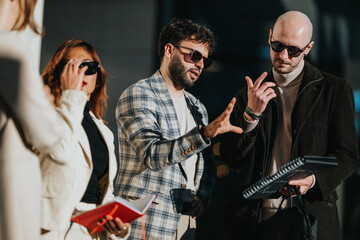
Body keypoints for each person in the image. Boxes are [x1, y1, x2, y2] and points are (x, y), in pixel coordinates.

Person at [221, 11, 359, 240]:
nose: (283, 55)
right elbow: (232, 157)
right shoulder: (248, 95)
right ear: (269, 37)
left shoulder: (334, 91)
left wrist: (312, 180)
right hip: (256, 220)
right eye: (277, 46)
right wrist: (250, 116)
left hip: (309, 218)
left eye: (293, 50)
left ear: (308, 48)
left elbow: (348, 156)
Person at [114, 18, 243, 240]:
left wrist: (202, 196)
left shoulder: (197, 107)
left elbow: (207, 161)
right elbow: (152, 154)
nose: (200, 65)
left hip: (185, 224)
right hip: (146, 221)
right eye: (194, 55)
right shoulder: (140, 94)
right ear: (169, 50)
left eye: (204, 60)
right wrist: (202, 134)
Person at [0, 1, 87, 240]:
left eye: (90, 67)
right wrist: (67, 99)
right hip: (14, 197)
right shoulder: (10, 52)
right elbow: (58, 145)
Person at [40, 39, 130, 240]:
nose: (80, 72)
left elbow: (105, 192)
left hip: (90, 231)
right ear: (59, 73)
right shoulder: (46, 113)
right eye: (71, 65)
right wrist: (71, 95)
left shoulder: (104, 132)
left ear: (98, 78)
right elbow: (58, 151)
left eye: (89, 67)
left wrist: (118, 227)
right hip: (52, 229)